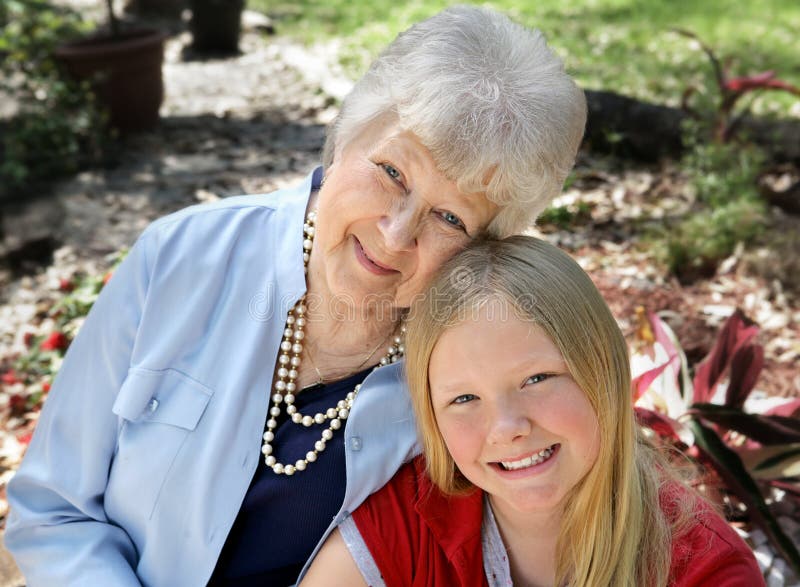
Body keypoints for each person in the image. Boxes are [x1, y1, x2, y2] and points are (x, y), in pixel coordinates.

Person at [4, 6, 587, 587]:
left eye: (450, 218)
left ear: (485, 243)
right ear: (342, 134)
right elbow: (55, 509)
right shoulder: (180, 257)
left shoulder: (466, 372)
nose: (395, 233)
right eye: (391, 172)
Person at [301, 236, 765, 587]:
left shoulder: (702, 564)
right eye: (463, 399)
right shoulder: (412, 517)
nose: (506, 428)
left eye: (536, 380)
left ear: (601, 371)